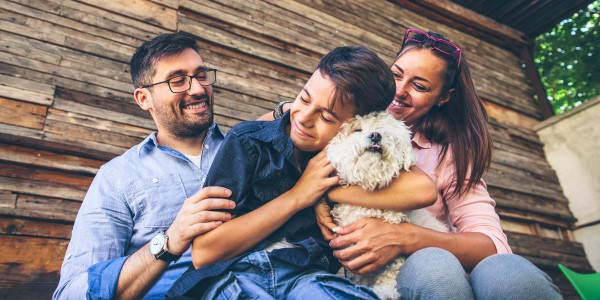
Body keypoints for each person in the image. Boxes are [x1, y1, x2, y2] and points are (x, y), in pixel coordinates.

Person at [267, 29, 562, 299]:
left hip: (449, 261)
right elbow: (258, 134)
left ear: (443, 98)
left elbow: (492, 244)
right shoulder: (340, 117)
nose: (399, 91)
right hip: (398, 277)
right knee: (434, 267)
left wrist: (406, 237)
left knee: (510, 274)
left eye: (419, 85)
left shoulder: (447, 155)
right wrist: (287, 111)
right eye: (396, 75)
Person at [166, 46, 438, 299]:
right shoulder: (249, 143)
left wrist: (326, 191)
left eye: (327, 117)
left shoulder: (350, 164)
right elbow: (203, 252)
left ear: (358, 125)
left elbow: (424, 190)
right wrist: (299, 196)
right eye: (304, 99)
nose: (304, 118)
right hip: (237, 273)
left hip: (307, 278)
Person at [53, 33, 236, 300]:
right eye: (177, 81)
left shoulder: (247, 147)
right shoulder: (116, 178)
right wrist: (169, 241)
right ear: (143, 98)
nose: (197, 89)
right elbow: (72, 293)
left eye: (201, 75)